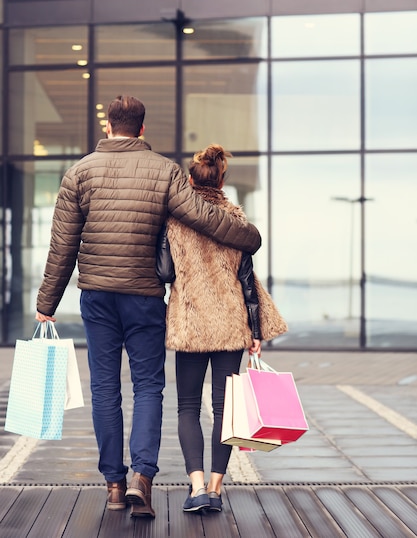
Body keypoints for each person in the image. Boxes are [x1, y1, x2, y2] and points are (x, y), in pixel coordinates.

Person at [35, 95, 262, 520]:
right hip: (143, 297)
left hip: (97, 296)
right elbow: (200, 216)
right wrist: (249, 236)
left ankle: (115, 486)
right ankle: (143, 477)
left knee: (105, 387)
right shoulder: (165, 171)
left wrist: (47, 303)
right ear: (142, 129)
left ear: (108, 126)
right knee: (148, 387)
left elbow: (62, 245)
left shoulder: (78, 173)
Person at [156, 144, 287, 514]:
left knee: (186, 407)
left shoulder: (175, 220)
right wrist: (256, 330)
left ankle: (195, 486)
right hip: (230, 324)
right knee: (224, 408)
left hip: (192, 323)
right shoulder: (235, 222)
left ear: (189, 180)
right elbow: (247, 281)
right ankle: (215, 489)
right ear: (222, 179)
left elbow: (165, 273)